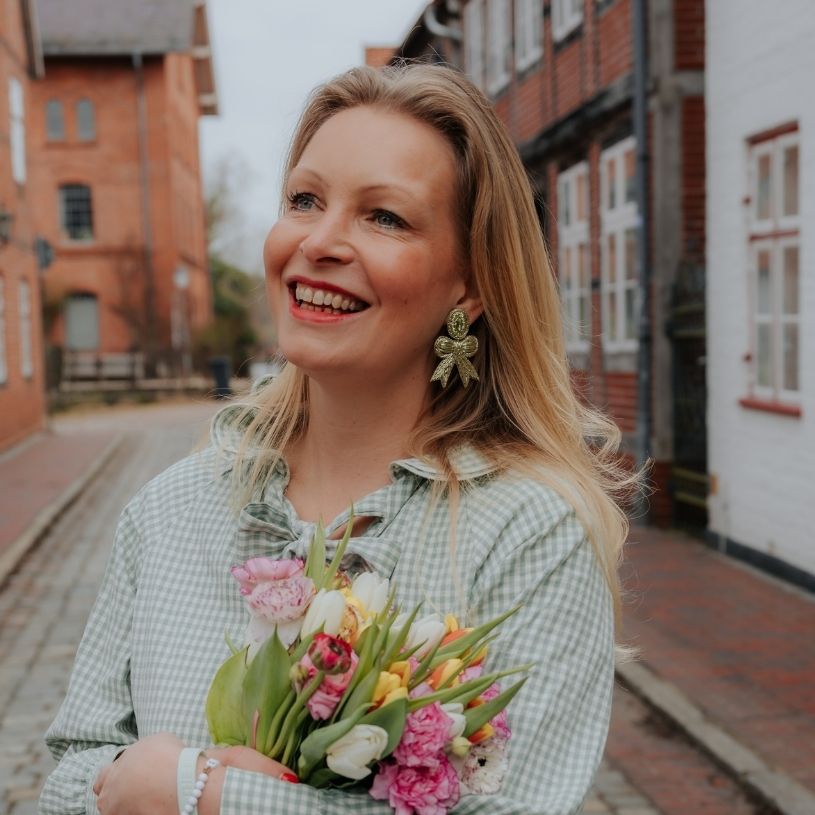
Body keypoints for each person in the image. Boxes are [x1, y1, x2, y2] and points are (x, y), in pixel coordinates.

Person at [40, 64, 637, 815]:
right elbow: (72, 769)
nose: (319, 241)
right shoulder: (170, 510)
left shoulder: (528, 533)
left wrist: (210, 794)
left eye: (383, 217)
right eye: (304, 200)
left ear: (470, 285)